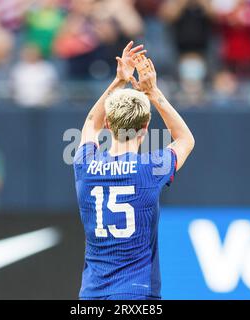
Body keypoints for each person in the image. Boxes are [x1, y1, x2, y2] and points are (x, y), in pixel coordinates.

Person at [73, 41, 195, 300]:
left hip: (92, 295)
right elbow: (185, 139)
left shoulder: (85, 164)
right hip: (137, 293)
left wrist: (118, 81)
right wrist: (154, 93)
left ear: (108, 122)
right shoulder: (151, 168)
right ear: (146, 126)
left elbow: (89, 125)